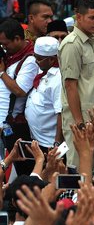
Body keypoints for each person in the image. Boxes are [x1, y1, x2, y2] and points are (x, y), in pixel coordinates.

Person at [59, 0, 94, 167]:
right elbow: (70, 86)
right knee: (78, 168)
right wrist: (79, 123)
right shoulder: (72, 44)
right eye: (92, 18)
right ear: (78, 17)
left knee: (93, 169)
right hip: (80, 119)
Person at [0, 19, 39, 152]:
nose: (4, 48)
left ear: (17, 39)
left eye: (6, 44)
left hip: (14, 126)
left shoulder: (30, 59)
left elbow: (20, 90)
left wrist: (1, 72)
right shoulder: (11, 56)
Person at [24, 37, 62, 148]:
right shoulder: (43, 70)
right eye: (35, 57)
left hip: (49, 143)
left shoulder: (58, 78)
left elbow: (60, 113)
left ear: (51, 60)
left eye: (39, 58)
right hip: (37, 139)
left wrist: (57, 143)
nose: (35, 61)